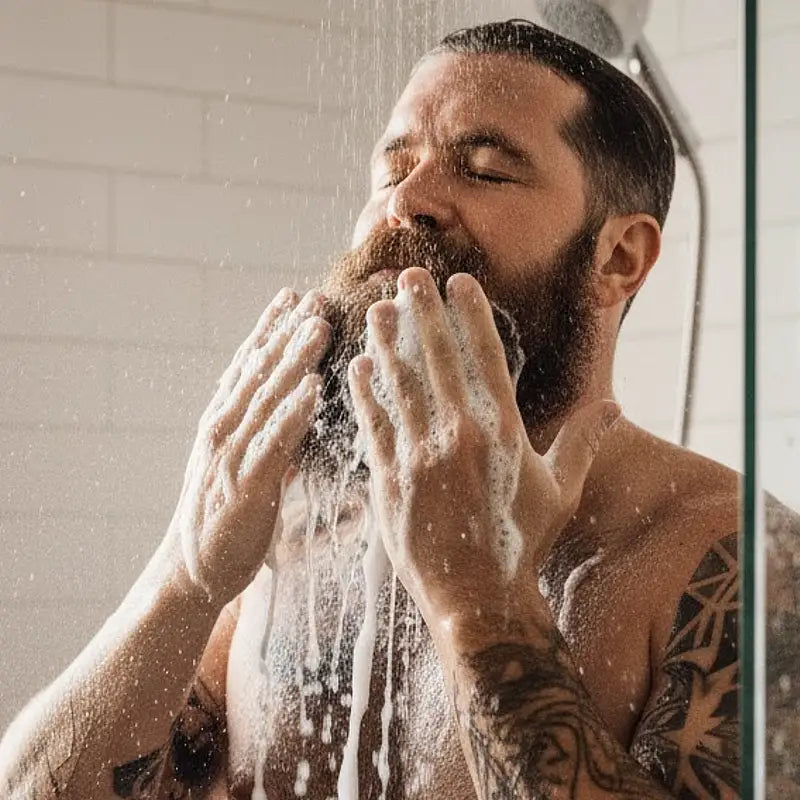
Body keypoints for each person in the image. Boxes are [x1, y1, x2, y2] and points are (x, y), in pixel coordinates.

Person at [0, 19, 796, 800]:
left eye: (485, 170)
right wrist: (184, 573)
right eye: (392, 166)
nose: (406, 203)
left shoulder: (735, 562)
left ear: (619, 256)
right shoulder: (291, 532)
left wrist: (483, 604)